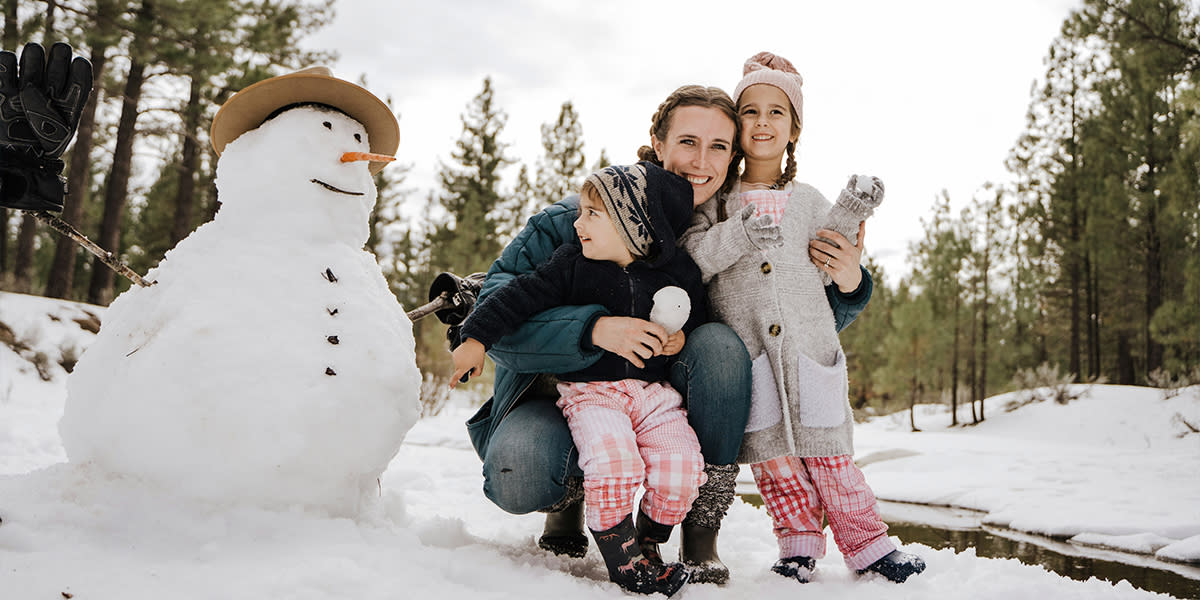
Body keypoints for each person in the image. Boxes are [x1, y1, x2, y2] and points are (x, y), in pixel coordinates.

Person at [464, 83, 873, 585]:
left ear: (733, 157)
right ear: (657, 143)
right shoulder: (578, 219)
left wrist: (850, 285)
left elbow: (788, 328)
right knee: (520, 469)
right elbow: (494, 313)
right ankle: (569, 500)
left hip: (658, 398)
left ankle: (700, 530)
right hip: (557, 394)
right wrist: (594, 329)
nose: (702, 160)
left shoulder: (733, 226)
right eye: (687, 142)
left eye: (719, 146)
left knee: (722, 347)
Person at [680, 51, 926, 584]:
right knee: (775, 461)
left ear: (794, 128)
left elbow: (836, 253)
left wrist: (854, 214)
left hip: (811, 350)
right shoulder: (715, 203)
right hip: (751, 355)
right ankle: (797, 544)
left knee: (830, 453)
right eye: (751, 111)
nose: (763, 123)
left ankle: (869, 545)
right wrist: (740, 232)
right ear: (735, 123)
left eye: (777, 112)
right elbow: (694, 258)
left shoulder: (809, 200)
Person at [452, 162, 702, 596]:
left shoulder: (672, 274)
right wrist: (475, 338)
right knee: (614, 463)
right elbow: (515, 297)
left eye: (592, 214)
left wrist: (678, 341)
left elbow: (698, 314)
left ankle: (648, 539)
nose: (578, 222)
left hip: (652, 395)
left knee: (681, 466)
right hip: (593, 395)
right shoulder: (571, 265)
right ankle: (623, 559)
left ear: (634, 226)